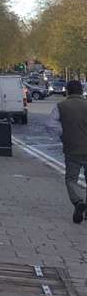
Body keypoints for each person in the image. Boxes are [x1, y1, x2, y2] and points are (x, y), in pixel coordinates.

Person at [49, 79, 87, 224]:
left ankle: (78, 202)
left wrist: (62, 135)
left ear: (68, 91)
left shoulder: (61, 106)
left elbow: (50, 125)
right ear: (81, 91)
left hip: (72, 149)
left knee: (71, 179)